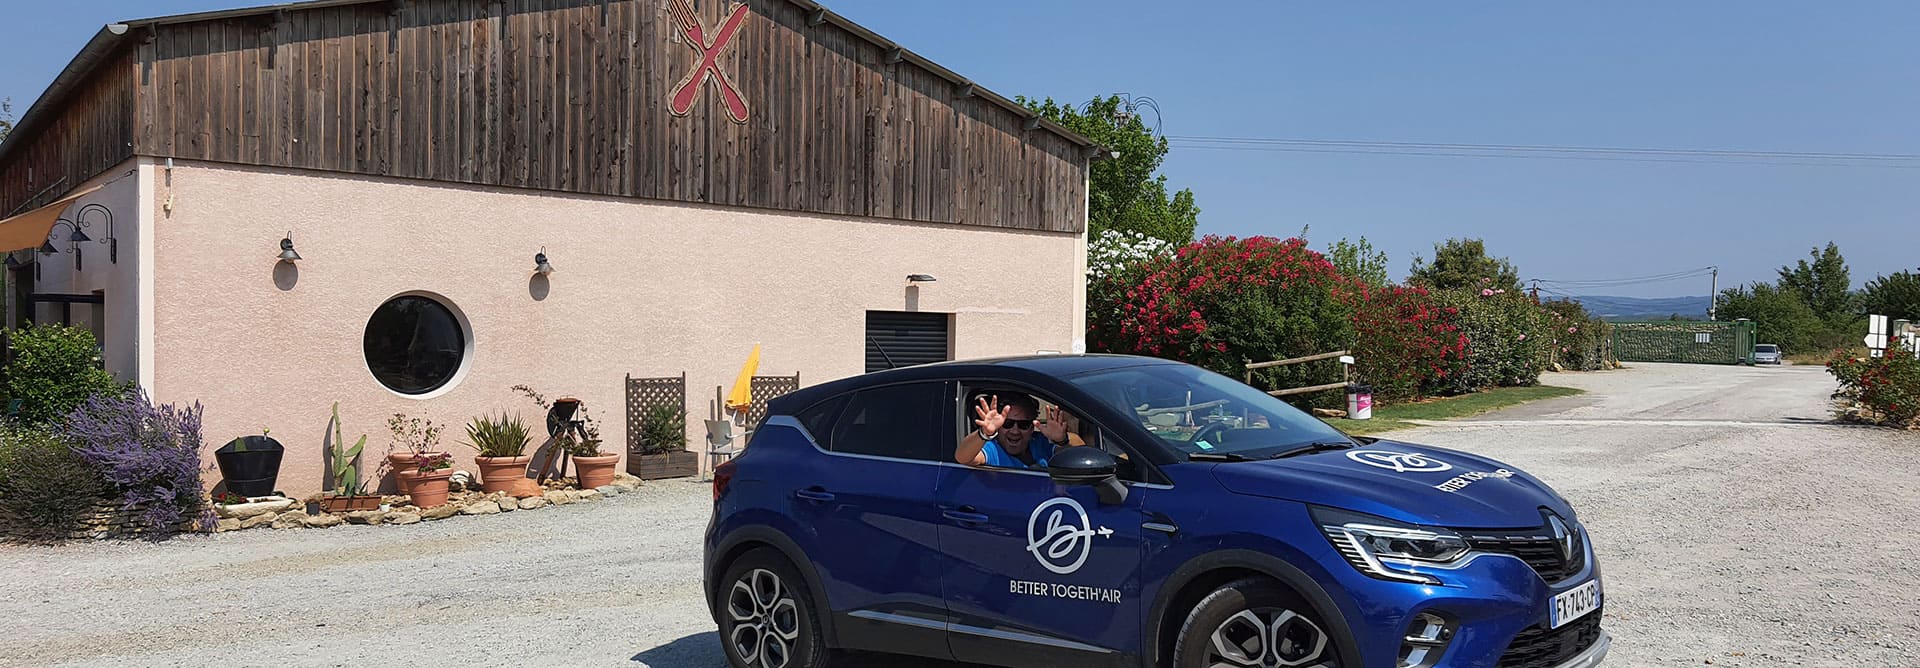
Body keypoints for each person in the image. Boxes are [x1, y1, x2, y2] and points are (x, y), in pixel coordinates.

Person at [955, 393, 1075, 469]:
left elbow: (1079, 451)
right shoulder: (993, 449)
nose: (1015, 430)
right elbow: (963, 458)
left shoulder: (1039, 441)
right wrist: (984, 433)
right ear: (999, 426)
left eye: (1023, 424)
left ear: (1032, 427)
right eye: (1008, 423)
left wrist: (1062, 440)